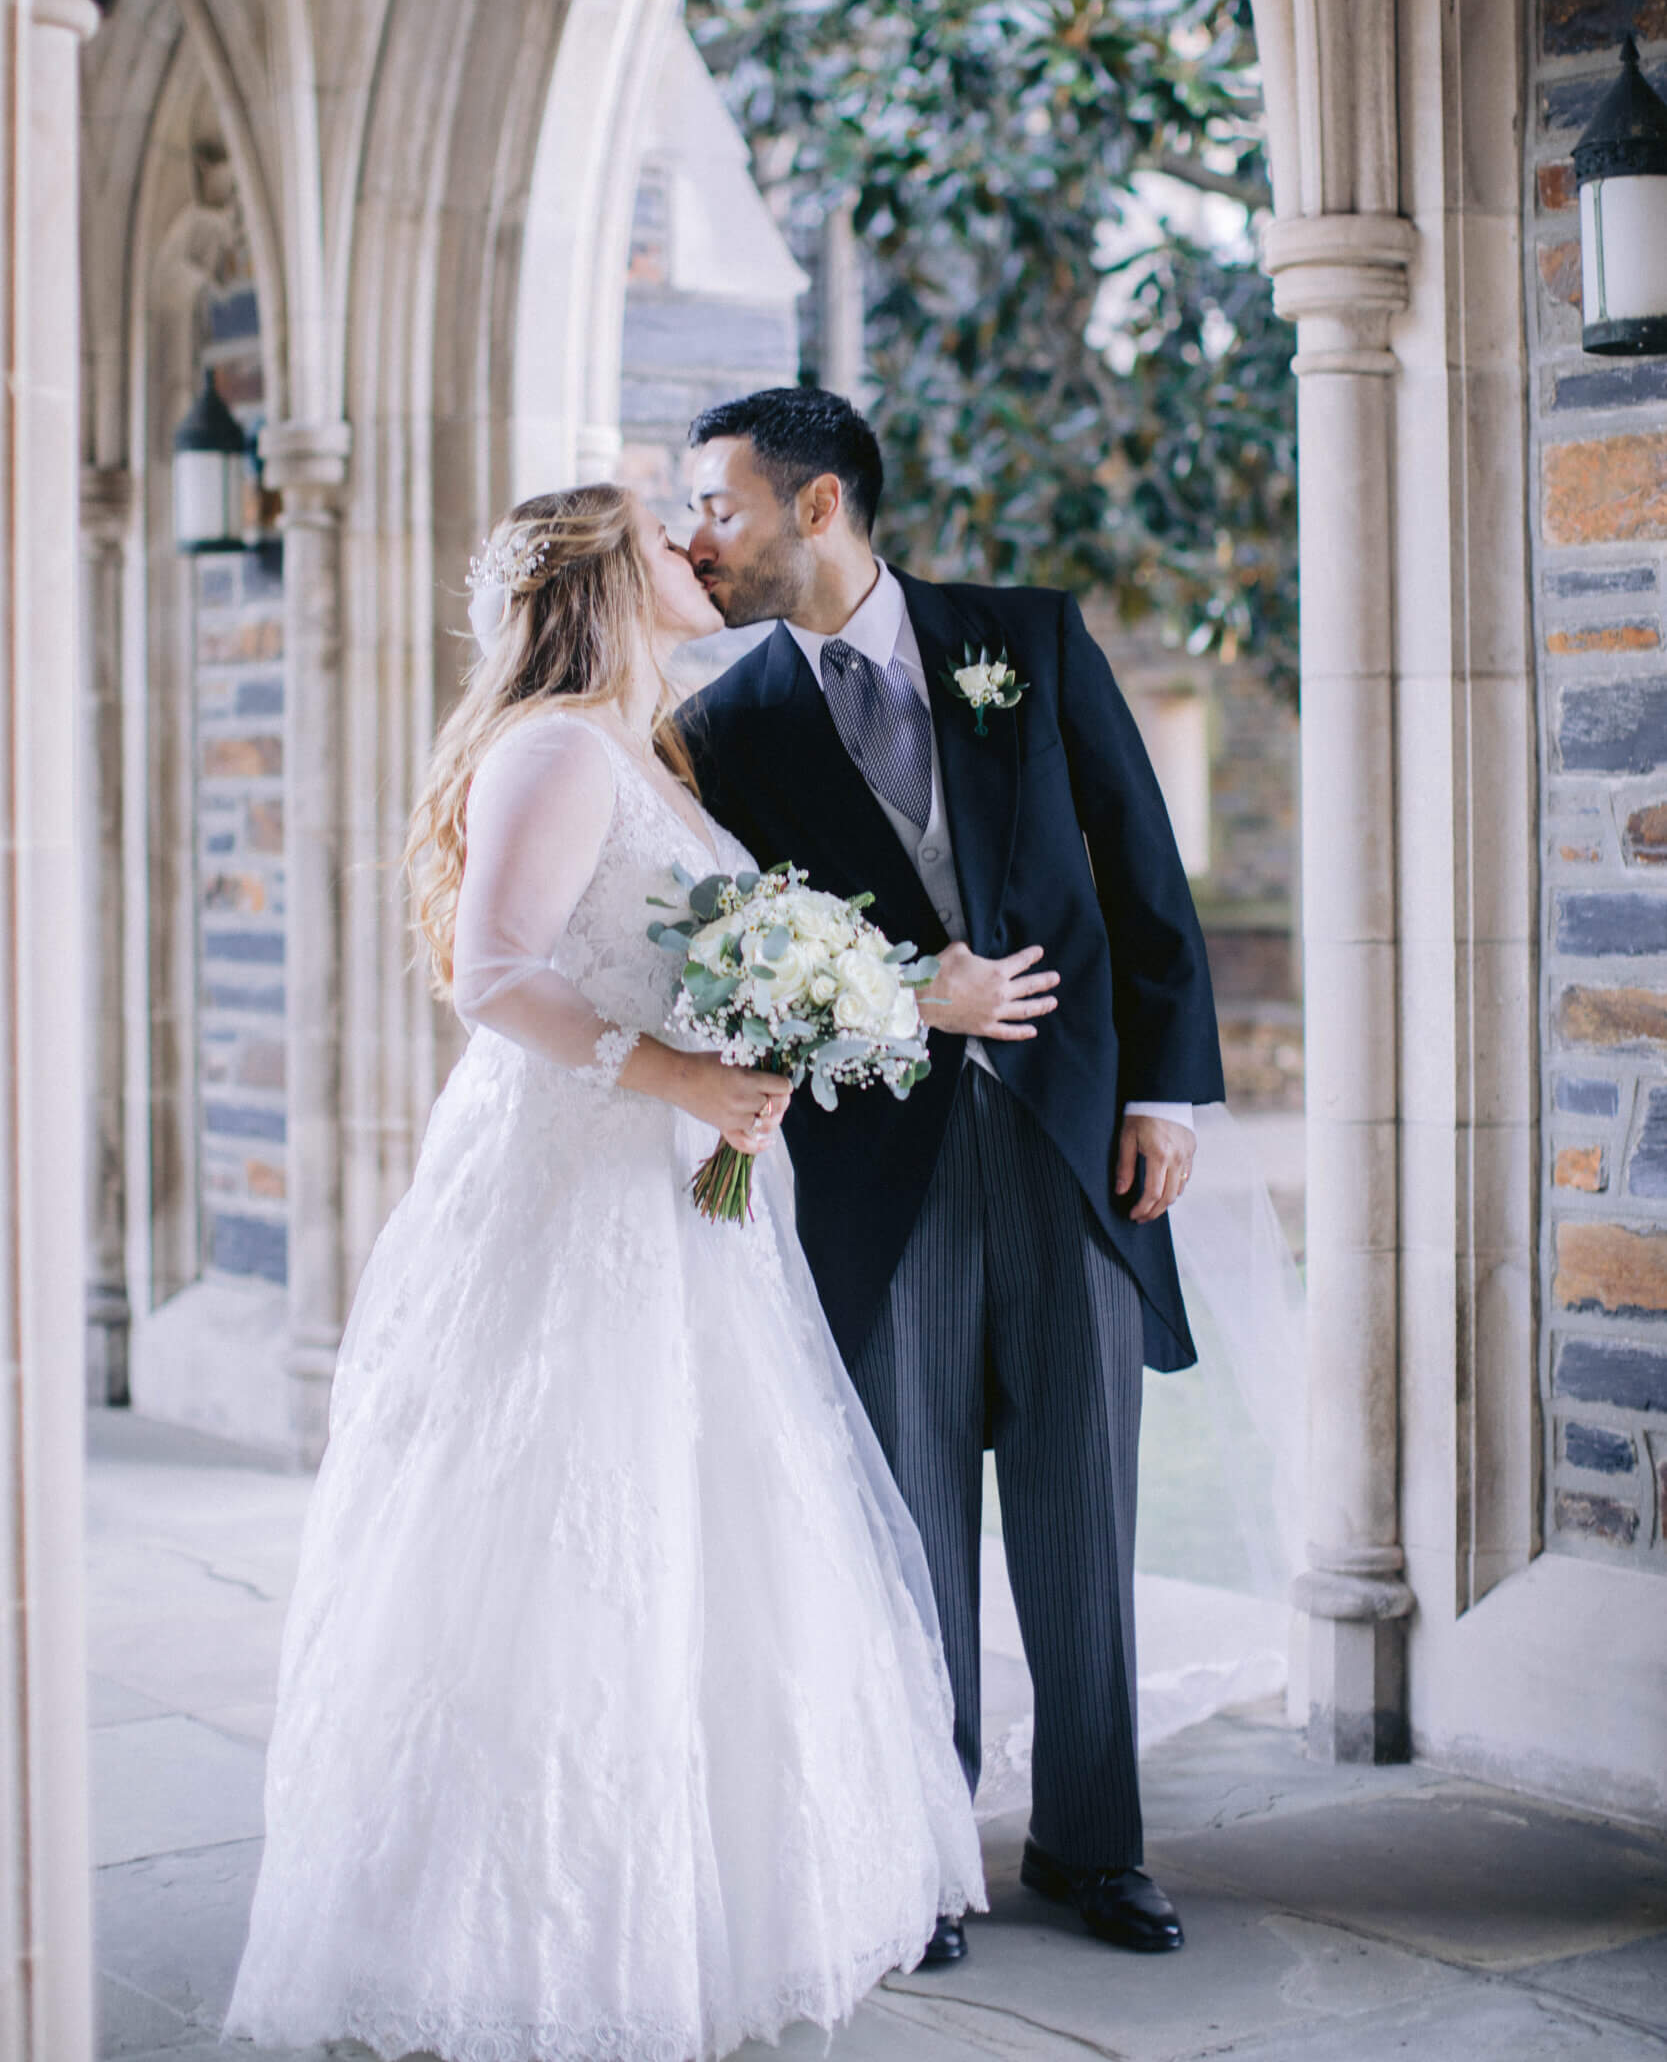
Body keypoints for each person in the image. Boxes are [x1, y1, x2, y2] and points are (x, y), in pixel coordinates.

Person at [224, 484, 983, 2062]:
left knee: (711, 1525)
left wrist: (798, 1032)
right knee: (572, 1531)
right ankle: (524, 1931)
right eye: (662, 537)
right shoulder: (560, 747)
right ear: (601, 581)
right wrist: (684, 1079)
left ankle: (715, 1899)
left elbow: (661, 955)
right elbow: (490, 973)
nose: (695, 552)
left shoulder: (647, 755)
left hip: (676, 1195)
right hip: (577, 1190)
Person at [680, 388, 1224, 1960]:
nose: (699, 534)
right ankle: (923, 1852)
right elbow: (733, 968)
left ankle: (1093, 1844)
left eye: (721, 503)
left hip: (1070, 1144)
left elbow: (1140, 869)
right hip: (875, 1176)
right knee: (904, 1531)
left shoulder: (1028, 641)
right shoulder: (725, 729)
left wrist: (1167, 1090)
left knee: (1082, 1511)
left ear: (821, 505)